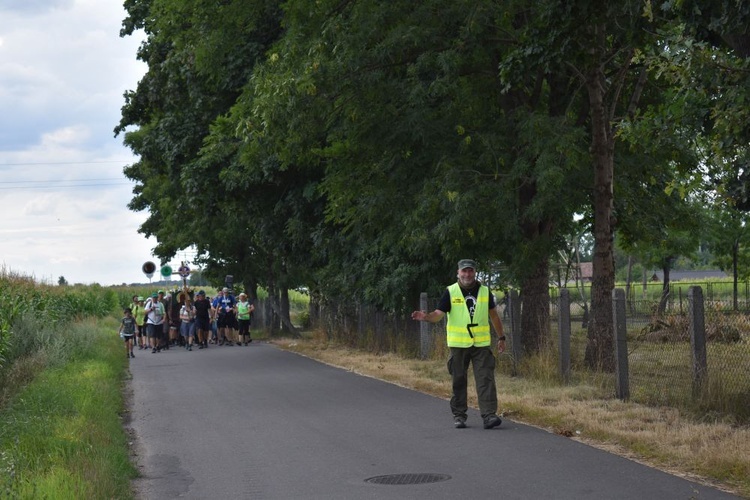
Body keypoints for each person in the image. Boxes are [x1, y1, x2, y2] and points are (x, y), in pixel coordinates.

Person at [411, 259, 505, 429]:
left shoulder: (484, 291)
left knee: (485, 379)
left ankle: (489, 415)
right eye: (464, 271)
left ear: (475, 272)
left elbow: (494, 316)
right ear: (458, 273)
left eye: (470, 271)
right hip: (458, 344)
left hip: (481, 343)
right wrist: (426, 317)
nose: (467, 274)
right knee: (459, 379)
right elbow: (439, 314)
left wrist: (501, 337)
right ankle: (459, 415)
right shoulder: (451, 292)